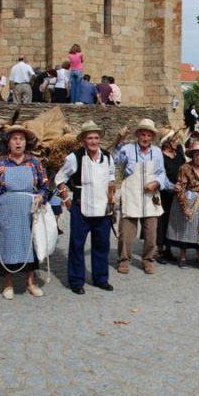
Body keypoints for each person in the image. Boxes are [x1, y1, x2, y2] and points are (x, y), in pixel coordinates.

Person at [0, 126, 48, 300]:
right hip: (6, 212)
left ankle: (30, 283)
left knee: (30, 246)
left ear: (26, 143)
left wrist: (41, 196)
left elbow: (44, 186)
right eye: (14, 139)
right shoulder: (0, 163)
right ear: (9, 143)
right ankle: (8, 284)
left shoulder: (34, 162)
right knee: (7, 246)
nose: (18, 142)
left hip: (29, 212)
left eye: (21, 139)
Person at [55, 120, 116, 294]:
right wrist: (66, 199)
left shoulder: (107, 157)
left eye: (96, 138)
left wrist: (112, 198)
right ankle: (76, 281)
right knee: (76, 244)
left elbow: (111, 177)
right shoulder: (74, 157)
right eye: (90, 138)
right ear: (83, 140)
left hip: (103, 210)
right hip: (81, 208)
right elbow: (60, 178)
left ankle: (101, 278)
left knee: (102, 245)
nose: (93, 141)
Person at [112, 118, 171, 275]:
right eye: (143, 135)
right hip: (131, 194)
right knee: (126, 232)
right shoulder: (128, 149)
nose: (145, 138)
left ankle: (148, 260)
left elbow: (161, 173)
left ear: (152, 137)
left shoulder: (157, 152)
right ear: (138, 135)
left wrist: (157, 183)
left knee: (151, 233)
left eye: (148, 135)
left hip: (150, 197)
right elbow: (116, 159)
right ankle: (124, 260)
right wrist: (119, 139)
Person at [166, 140, 199, 268]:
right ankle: (183, 257)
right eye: (196, 154)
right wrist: (185, 207)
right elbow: (180, 187)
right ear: (192, 155)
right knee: (184, 227)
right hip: (186, 198)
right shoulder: (185, 167)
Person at [156, 129, 184, 264]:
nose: (177, 141)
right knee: (162, 221)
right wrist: (172, 186)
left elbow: (184, 168)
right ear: (166, 142)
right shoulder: (160, 156)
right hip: (164, 193)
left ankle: (169, 248)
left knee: (172, 221)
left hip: (177, 192)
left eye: (177, 139)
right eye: (173, 140)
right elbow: (160, 175)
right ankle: (159, 250)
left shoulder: (178, 153)